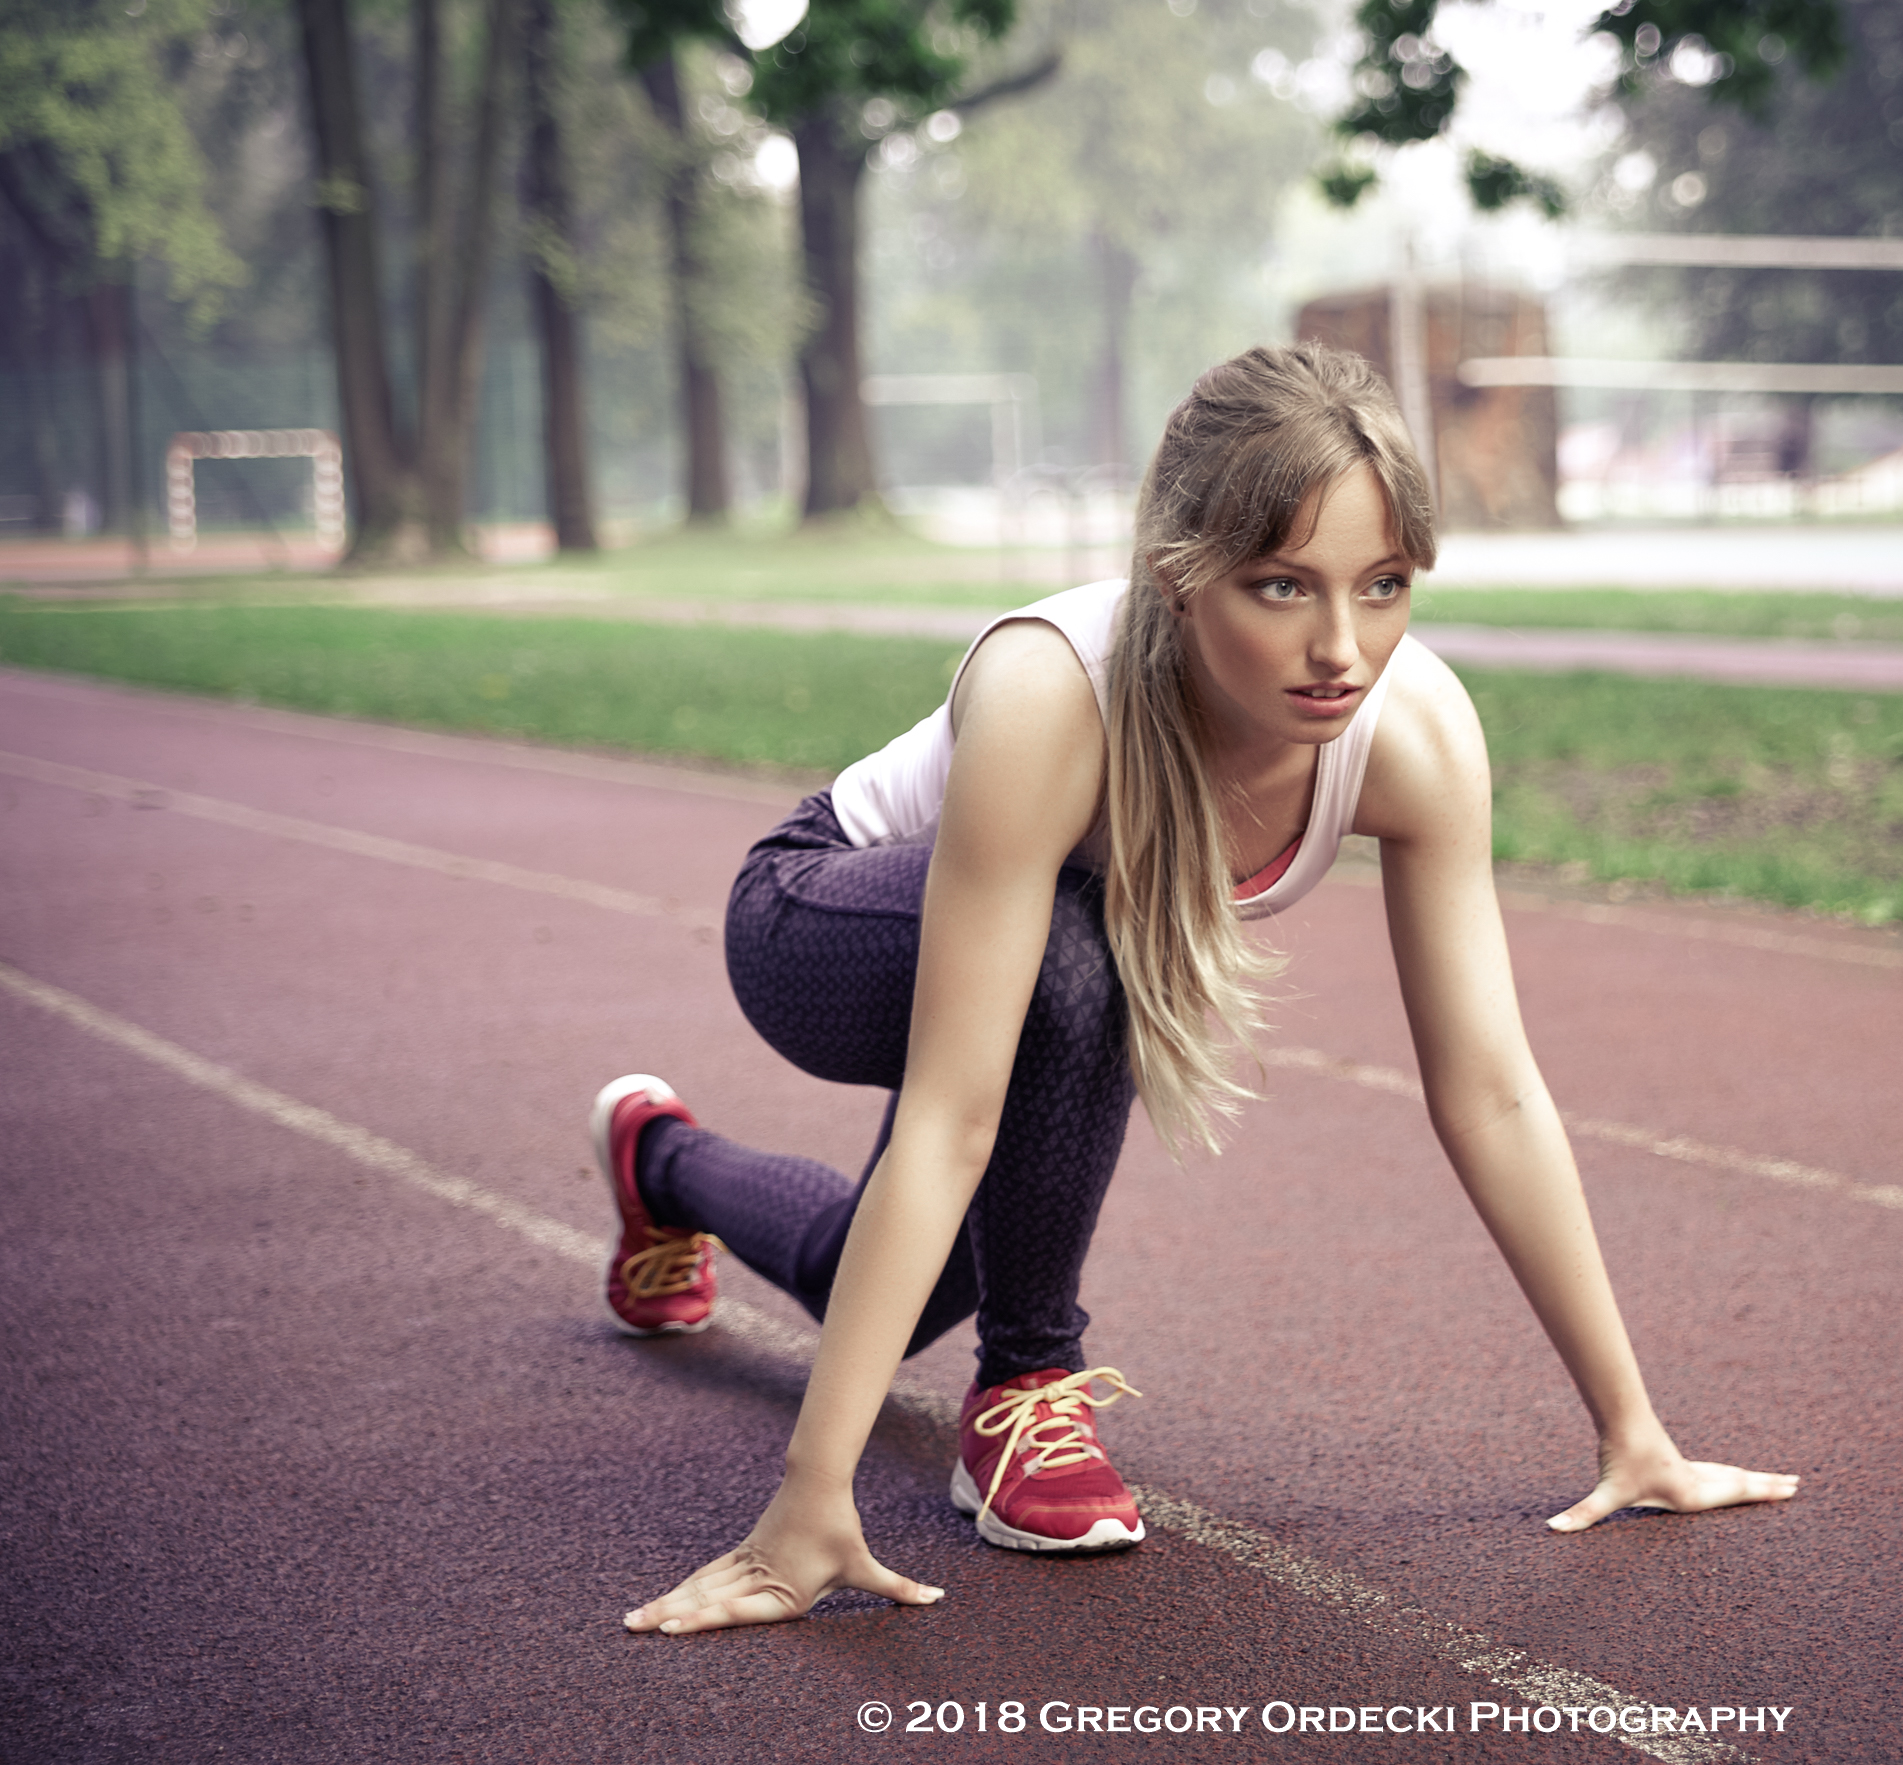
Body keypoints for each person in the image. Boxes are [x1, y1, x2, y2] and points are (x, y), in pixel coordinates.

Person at [607, 342, 1798, 1635]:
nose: (1342, 647)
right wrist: (807, 1502)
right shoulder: (1051, 698)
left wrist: (1633, 1428)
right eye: (1282, 586)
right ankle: (1026, 1384)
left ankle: (657, 1161)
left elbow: (1494, 1093)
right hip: (817, 921)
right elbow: (956, 1113)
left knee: (865, 1295)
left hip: (1041, 968)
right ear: (1180, 580)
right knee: (1078, 957)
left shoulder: (1415, 733)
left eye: (1385, 585)